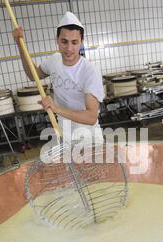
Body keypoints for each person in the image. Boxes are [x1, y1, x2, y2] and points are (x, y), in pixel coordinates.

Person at [12, 11, 104, 144]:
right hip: (63, 134)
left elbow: (91, 117)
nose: (69, 48)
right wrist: (20, 44)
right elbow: (33, 75)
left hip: (89, 137)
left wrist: (56, 109)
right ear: (57, 40)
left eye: (74, 42)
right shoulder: (54, 60)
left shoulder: (89, 71)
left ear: (81, 42)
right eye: (64, 41)